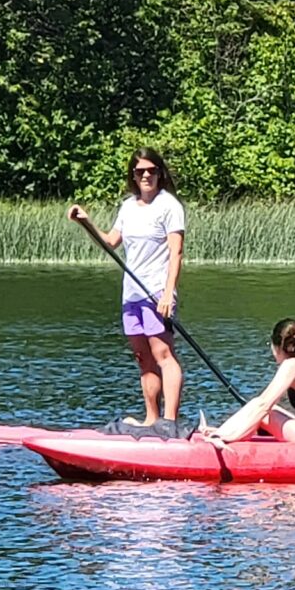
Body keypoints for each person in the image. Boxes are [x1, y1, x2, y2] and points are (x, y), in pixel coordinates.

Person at [67, 149, 185, 430]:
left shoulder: (170, 206)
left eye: (151, 170)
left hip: (156, 292)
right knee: (143, 358)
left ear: (160, 173)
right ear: (133, 176)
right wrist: (85, 222)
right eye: (140, 171)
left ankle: (169, 422)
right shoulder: (128, 206)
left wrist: (169, 293)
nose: (146, 175)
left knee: (163, 356)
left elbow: (176, 252)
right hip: (131, 294)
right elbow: (110, 241)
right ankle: (151, 419)